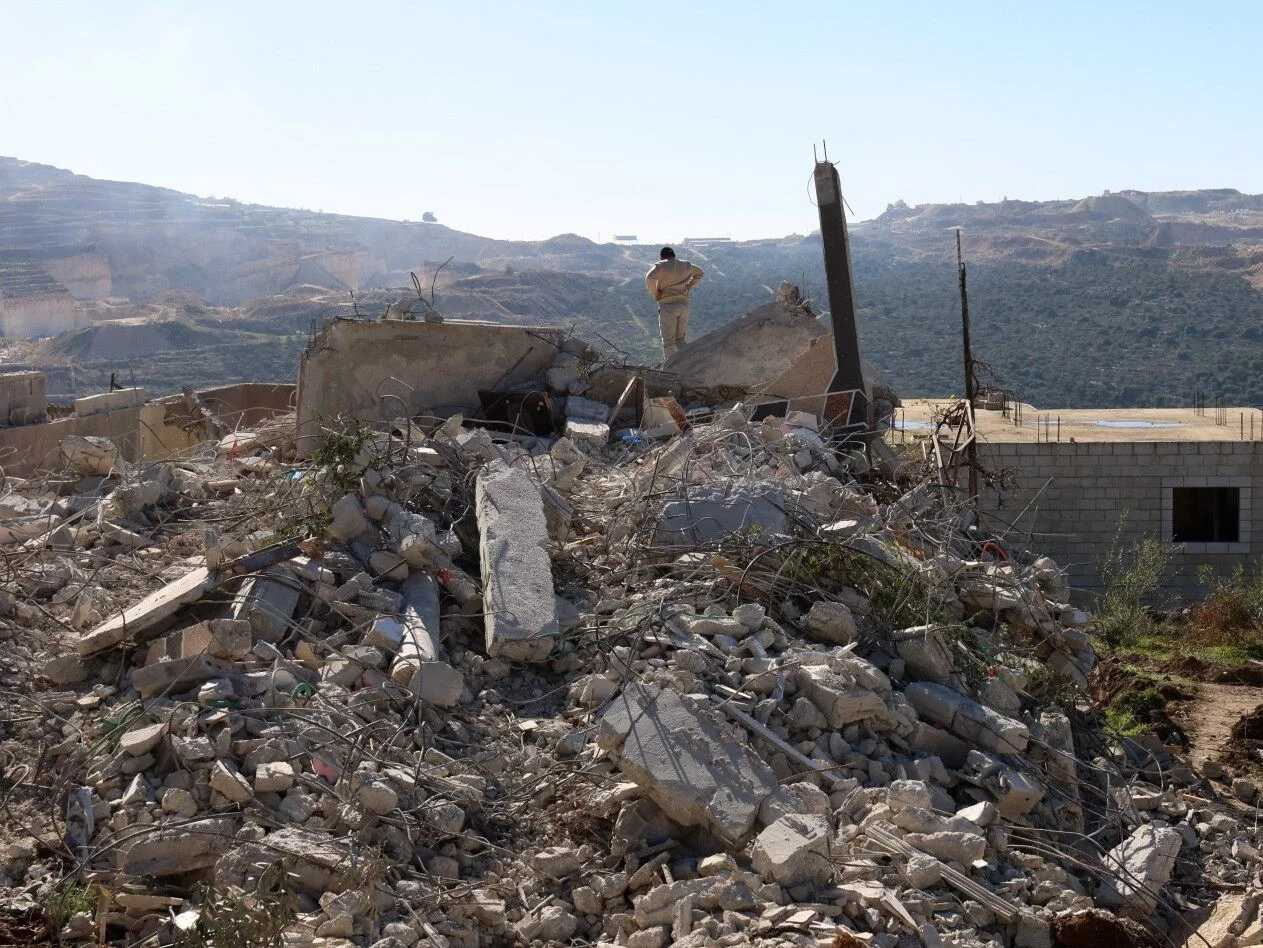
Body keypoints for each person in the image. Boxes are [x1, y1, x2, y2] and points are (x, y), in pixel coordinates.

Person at [645, 246, 703, 359]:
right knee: (680, 338)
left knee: (668, 342)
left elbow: (649, 278)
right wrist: (689, 286)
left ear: (662, 257)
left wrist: (656, 294)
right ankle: (687, 362)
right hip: (684, 306)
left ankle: (671, 369)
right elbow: (700, 273)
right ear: (674, 256)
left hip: (668, 306)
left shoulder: (662, 265)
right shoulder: (685, 264)